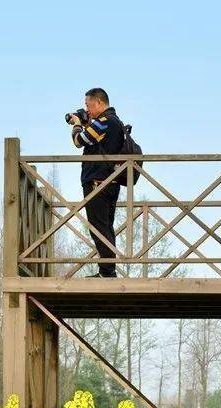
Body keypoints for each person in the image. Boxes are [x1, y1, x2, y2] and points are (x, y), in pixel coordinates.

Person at [68, 87, 124, 277]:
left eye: (88, 105)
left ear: (99, 102)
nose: (87, 109)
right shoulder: (114, 122)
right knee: (105, 226)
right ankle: (107, 270)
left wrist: (77, 125)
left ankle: (107, 272)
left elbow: (79, 140)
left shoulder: (104, 122)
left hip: (98, 182)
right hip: (110, 181)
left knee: (98, 227)